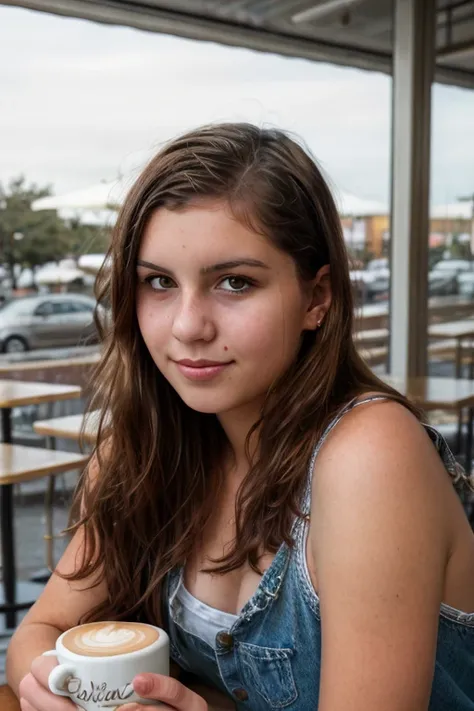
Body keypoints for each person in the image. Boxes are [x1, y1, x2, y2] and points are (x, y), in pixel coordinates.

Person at [7, 123, 474, 711]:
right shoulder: (147, 451)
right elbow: (36, 634)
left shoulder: (369, 456)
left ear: (316, 298)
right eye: (158, 283)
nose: (187, 326)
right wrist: (54, 690)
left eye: (234, 282)